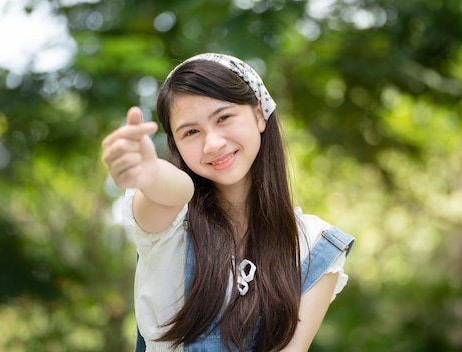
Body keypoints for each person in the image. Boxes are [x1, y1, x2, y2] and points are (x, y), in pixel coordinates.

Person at [101, 53, 354, 352]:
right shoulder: (168, 224)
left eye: (223, 118)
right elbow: (177, 190)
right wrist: (148, 173)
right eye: (191, 132)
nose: (213, 144)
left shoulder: (313, 245)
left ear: (260, 113)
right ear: (177, 146)